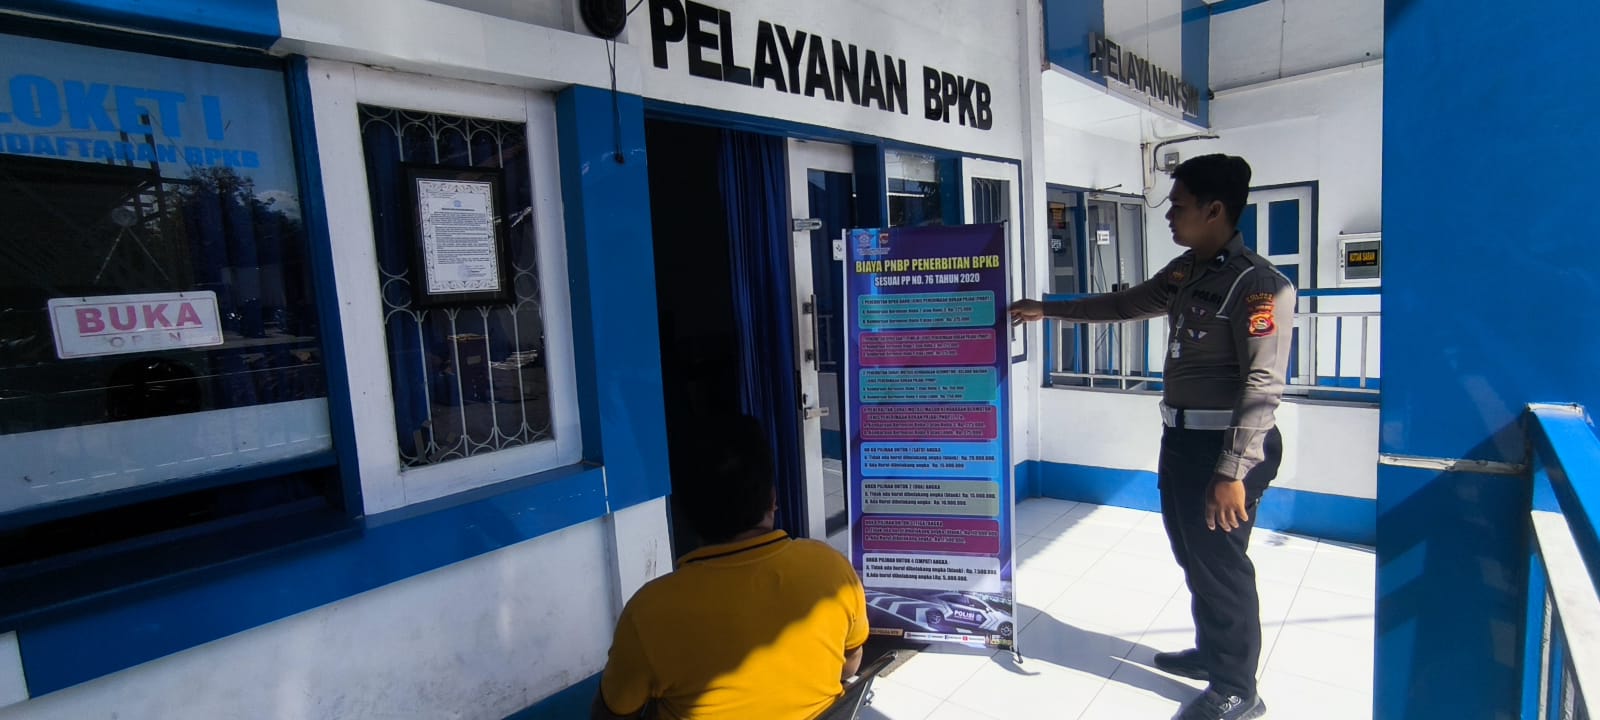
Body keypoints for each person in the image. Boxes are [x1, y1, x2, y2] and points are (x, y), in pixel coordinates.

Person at [1010, 154, 1292, 720]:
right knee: (1192, 556)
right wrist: (1047, 308)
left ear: (1214, 210)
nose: (1168, 215)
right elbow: (1122, 304)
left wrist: (1232, 470)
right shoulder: (1188, 271)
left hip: (1225, 450)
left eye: (1178, 205)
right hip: (1183, 442)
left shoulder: (1258, 286)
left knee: (1221, 566)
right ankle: (1212, 653)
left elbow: (1263, 384)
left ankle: (1237, 687)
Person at [592, 415, 869, 720]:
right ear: (773, 499)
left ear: (682, 514)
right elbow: (850, 663)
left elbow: (612, 714)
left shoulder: (648, 613)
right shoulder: (833, 570)